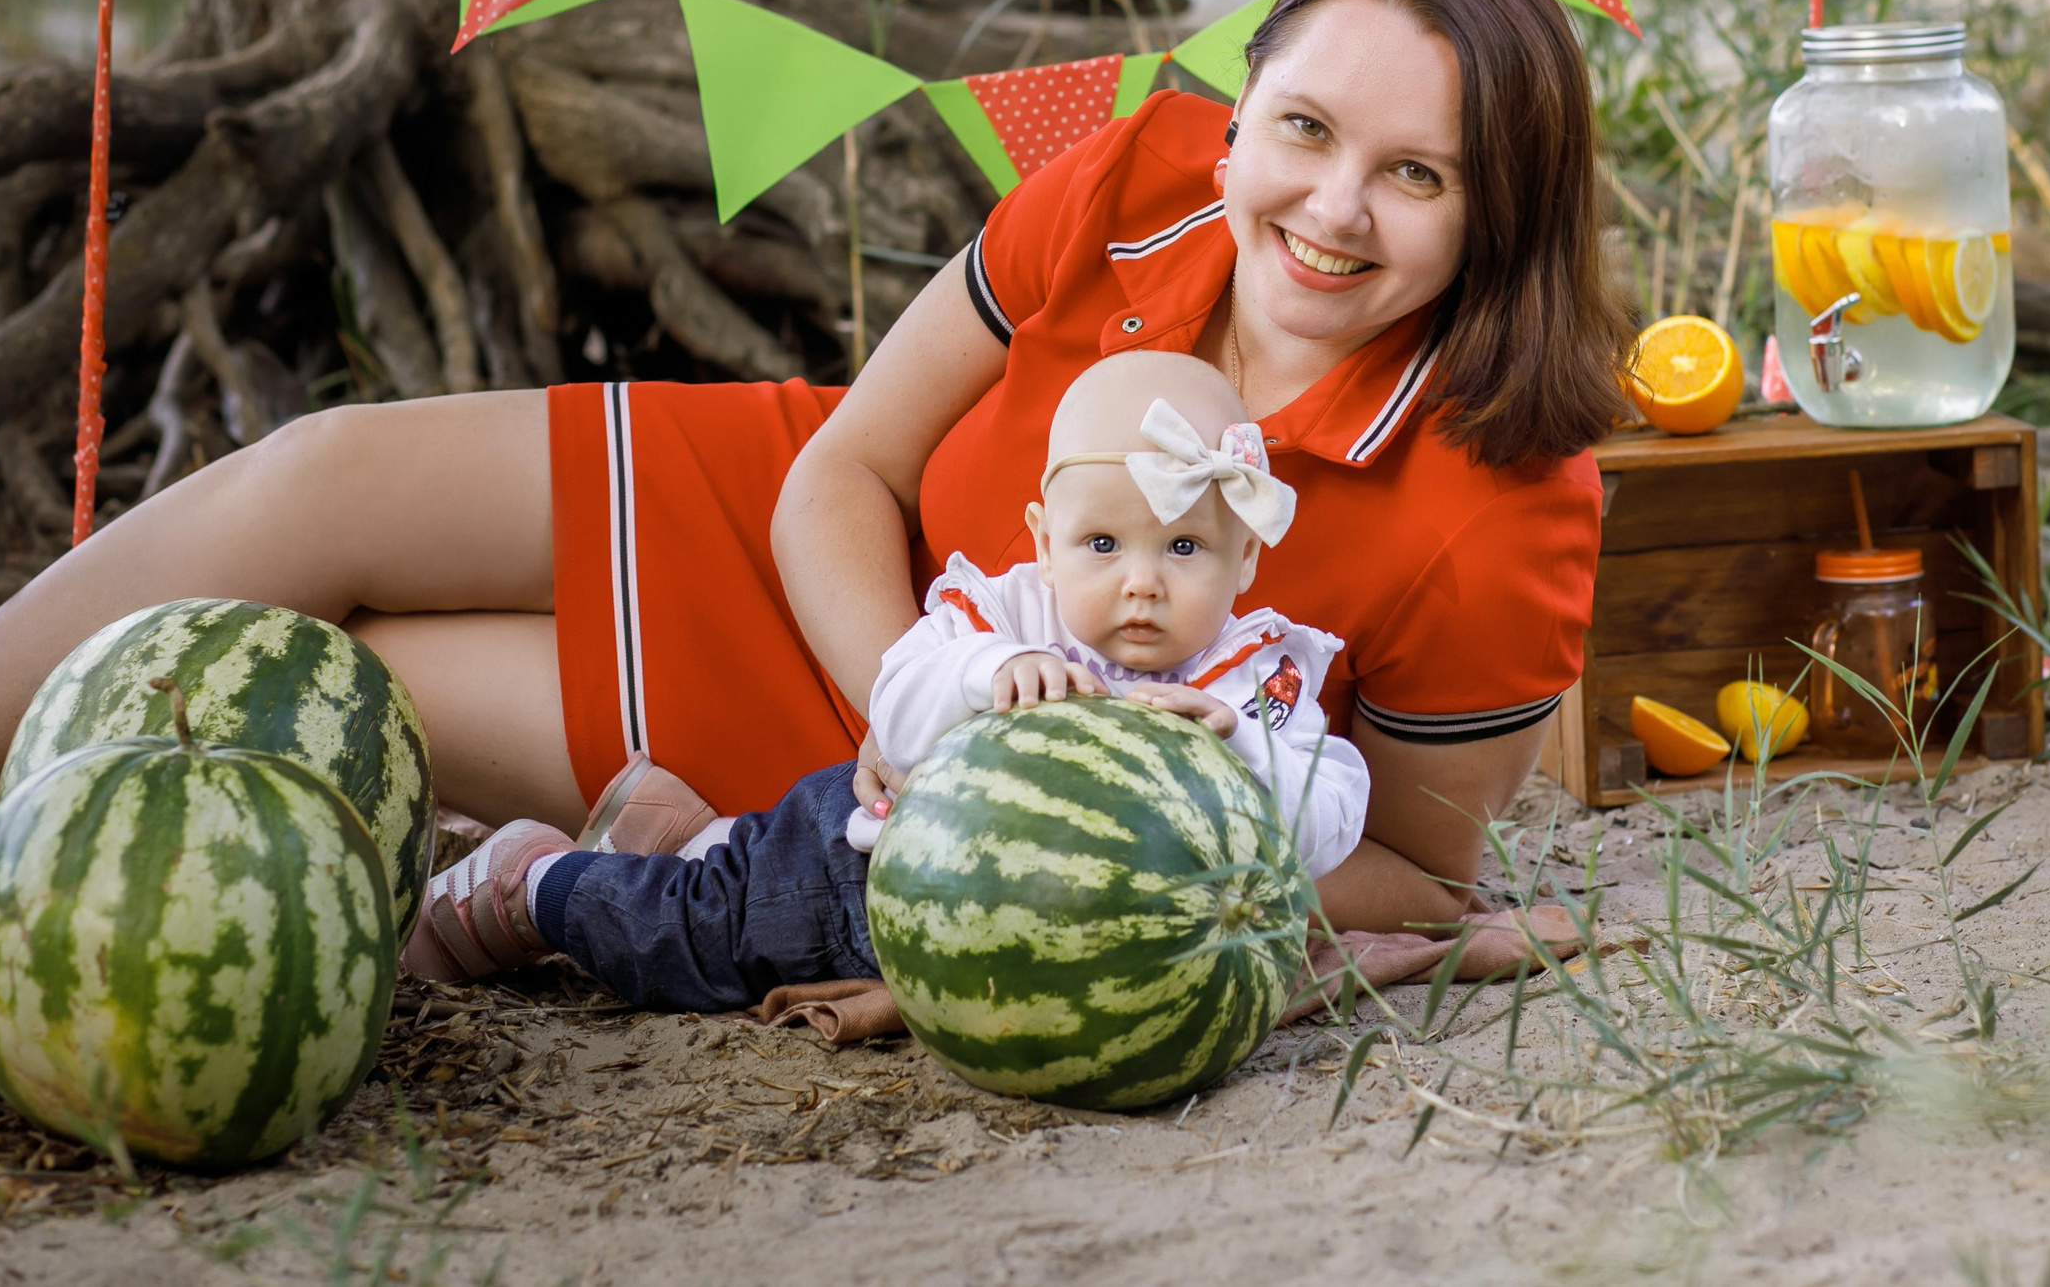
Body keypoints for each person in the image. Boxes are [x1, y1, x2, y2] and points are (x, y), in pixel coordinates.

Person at [0, 0, 1627, 934]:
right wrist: (916, 699)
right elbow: (844, 467)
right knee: (319, 479)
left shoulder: (1512, 497)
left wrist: (1002, 877)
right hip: (842, 568)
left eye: (1419, 174)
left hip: (903, 793)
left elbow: (1405, 866)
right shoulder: (1146, 179)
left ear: (1503, 211)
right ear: (1240, 123)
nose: (1333, 208)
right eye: (1305, 131)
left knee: (348, 671)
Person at [400, 351, 1368, 1004]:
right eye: (1102, 543)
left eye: (1187, 546)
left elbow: (1334, 806)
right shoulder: (1005, 614)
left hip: (1048, 950)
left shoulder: (1257, 675)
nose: (1140, 582)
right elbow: (898, 707)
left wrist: (1244, 757)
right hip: (863, 875)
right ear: (1043, 539)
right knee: (700, 941)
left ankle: (682, 833)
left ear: (1245, 562)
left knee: (725, 871)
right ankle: (532, 887)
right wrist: (987, 673)